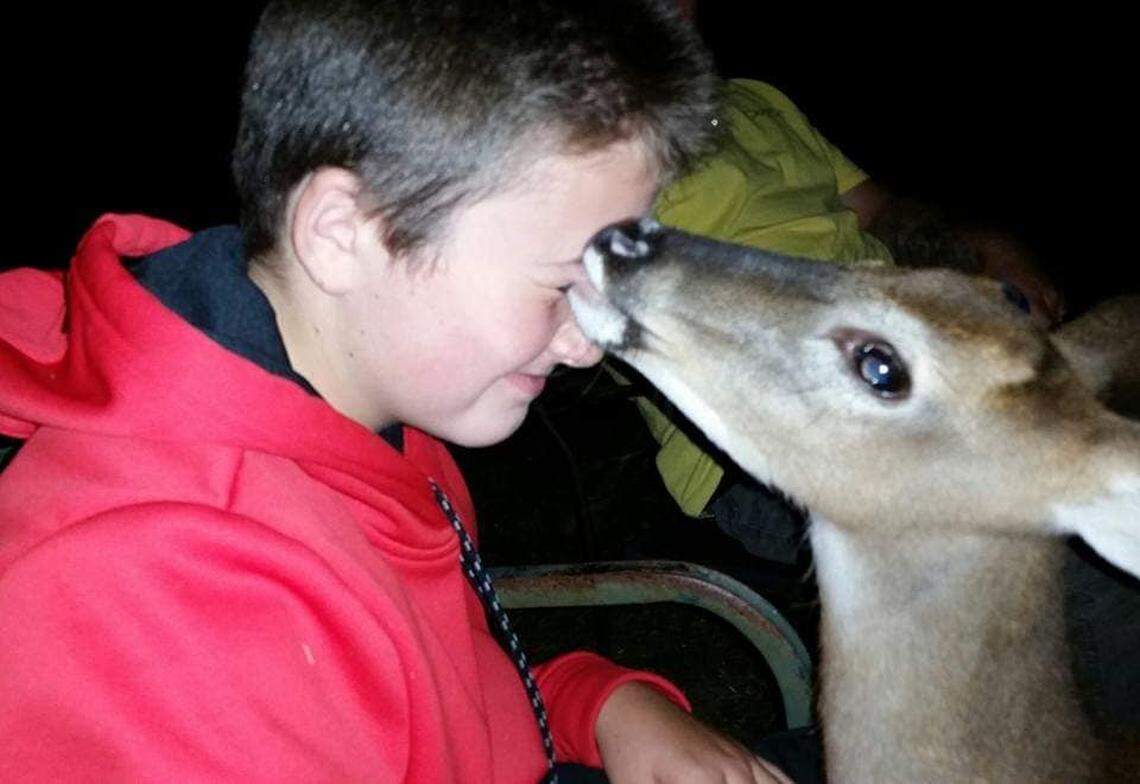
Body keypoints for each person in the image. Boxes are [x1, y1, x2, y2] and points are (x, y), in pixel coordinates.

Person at [0, 2, 794, 782]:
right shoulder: (154, 602)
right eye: (562, 285)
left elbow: (439, 709)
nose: (586, 342)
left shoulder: (362, 411)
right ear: (344, 233)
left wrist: (600, 706)